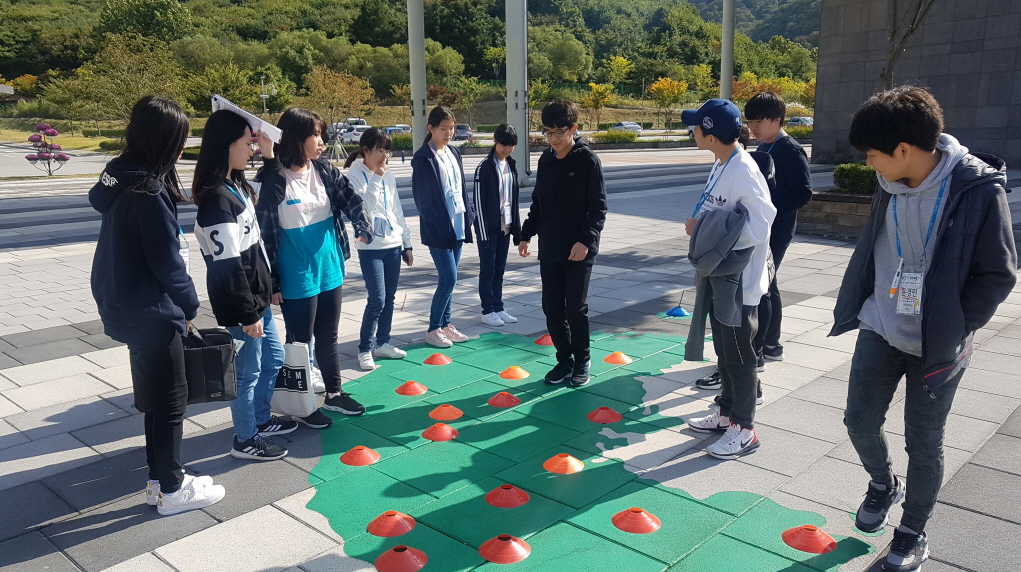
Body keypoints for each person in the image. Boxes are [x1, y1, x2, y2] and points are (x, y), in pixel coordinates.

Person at [832, 86, 1016, 572]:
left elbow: (999, 273)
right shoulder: (888, 182)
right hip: (880, 324)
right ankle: (882, 483)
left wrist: (956, 326)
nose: (869, 163)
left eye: (872, 154)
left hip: (938, 344)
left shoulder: (977, 188)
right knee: (858, 420)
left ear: (904, 150)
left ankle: (912, 530)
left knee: (924, 441)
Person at [90, 96, 225, 515]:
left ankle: (159, 480)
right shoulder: (147, 191)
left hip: (123, 303)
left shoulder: (122, 179)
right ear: (164, 140)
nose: (183, 148)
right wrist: (189, 309)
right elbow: (167, 261)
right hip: (150, 309)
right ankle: (170, 488)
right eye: (180, 139)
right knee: (170, 400)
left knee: (153, 396)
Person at [256, 107, 374, 423]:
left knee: (328, 335)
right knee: (298, 343)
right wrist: (273, 283)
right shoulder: (273, 177)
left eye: (321, 134)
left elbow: (351, 199)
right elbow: (264, 233)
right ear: (295, 139)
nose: (321, 141)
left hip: (329, 266)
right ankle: (303, 406)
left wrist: (362, 225)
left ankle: (334, 394)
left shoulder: (323, 169)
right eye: (315, 135)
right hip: (296, 274)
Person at [192, 110, 293, 461]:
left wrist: (269, 154)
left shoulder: (235, 184)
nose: (251, 149)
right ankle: (245, 438)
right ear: (226, 145)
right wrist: (248, 312)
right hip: (242, 304)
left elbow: (274, 192)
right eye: (247, 143)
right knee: (247, 373)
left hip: (257, 299)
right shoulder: (217, 198)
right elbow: (228, 264)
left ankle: (260, 420)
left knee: (273, 358)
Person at [682, 99, 776, 460]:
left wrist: (706, 227)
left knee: (739, 354)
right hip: (721, 277)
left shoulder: (744, 170)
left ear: (710, 132)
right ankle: (725, 414)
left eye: (696, 126)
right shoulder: (723, 162)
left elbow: (761, 222)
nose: (693, 132)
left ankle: (745, 428)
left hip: (740, 282)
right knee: (723, 349)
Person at [518, 99, 607, 387]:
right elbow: (538, 203)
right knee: (552, 308)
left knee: (574, 308)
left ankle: (582, 360)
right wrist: (526, 233)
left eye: (559, 132)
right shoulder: (546, 160)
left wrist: (585, 241)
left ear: (573, 129)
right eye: (548, 132)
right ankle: (564, 360)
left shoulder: (587, 160)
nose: (553, 139)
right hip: (551, 248)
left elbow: (598, 208)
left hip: (579, 250)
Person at [344, 127, 414, 370]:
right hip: (370, 246)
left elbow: (397, 210)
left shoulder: (389, 175)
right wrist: (376, 177)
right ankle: (365, 347)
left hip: (392, 244)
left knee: (390, 299)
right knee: (377, 299)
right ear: (366, 150)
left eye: (388, 151)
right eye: (381, 150)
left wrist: (407, 243)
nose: (385, 156)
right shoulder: (354, 175)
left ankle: (383, 342)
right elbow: (364, 207)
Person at [411, 106, 476, 348]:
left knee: (452, 278)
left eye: (452, 128)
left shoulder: (453, 153)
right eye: (443, 129)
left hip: (458, 223)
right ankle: (433, 328)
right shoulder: (423, 158)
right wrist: (439, 224)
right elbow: (423, 200)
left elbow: (461, 187)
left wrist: (470, 215)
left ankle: (446, 324)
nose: (449, 133)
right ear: (431, 128)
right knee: (448, 279)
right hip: (439, 229)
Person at [473, 124, 521, 327]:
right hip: (489, 228)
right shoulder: (485, 167)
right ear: (495, 141)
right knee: (488, 269)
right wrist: (482, 231)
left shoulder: (510, 165)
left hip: (506, 225)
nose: (507, 149)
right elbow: (478, 202)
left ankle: (498, 307)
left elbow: (514, 198)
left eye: (511, 146)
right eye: (504, 145)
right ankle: (487, 310)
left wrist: (516, 229)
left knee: (500, 269)